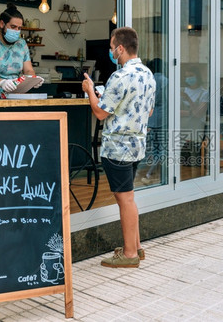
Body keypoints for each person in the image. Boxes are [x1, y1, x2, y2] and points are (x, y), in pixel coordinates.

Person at [82, 27, 156, 268]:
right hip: (137, 146)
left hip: (117, 148)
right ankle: (137, 247)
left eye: (112, 47)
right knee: (129, 198)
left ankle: (130, 254)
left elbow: (100, 112)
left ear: (120, 48)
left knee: (125, 200)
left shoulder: (120, 77)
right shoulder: (148, 74)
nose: (111, 51)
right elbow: (149, 110)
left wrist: (90, 91)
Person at [0, 3, 43, 98]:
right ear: (2, 24)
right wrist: (1, 82)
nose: (16, 31)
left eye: (19, 28)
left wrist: (33, 79)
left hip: (16, 95)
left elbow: (28, 70)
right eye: (13, 27)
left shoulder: (21, 44)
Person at [141, 58, 167, 185]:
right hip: (161, 118)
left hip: (151, 117)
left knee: (154, 147)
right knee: (160, 146)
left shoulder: (150, 79)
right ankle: (151, 173)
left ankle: (151, 172)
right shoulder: (165, 80)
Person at [180, 67, 209, 168]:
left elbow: (198, 114)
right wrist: (190, 112)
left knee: (194, 160)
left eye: (191, 76)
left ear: (198, 77)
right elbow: (174, 112)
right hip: (181, 129)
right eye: (186, 76)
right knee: (182, 161)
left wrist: (188, 99)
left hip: (196, 129)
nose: (188, 78)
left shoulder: (204, 93)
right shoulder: (182, 90)